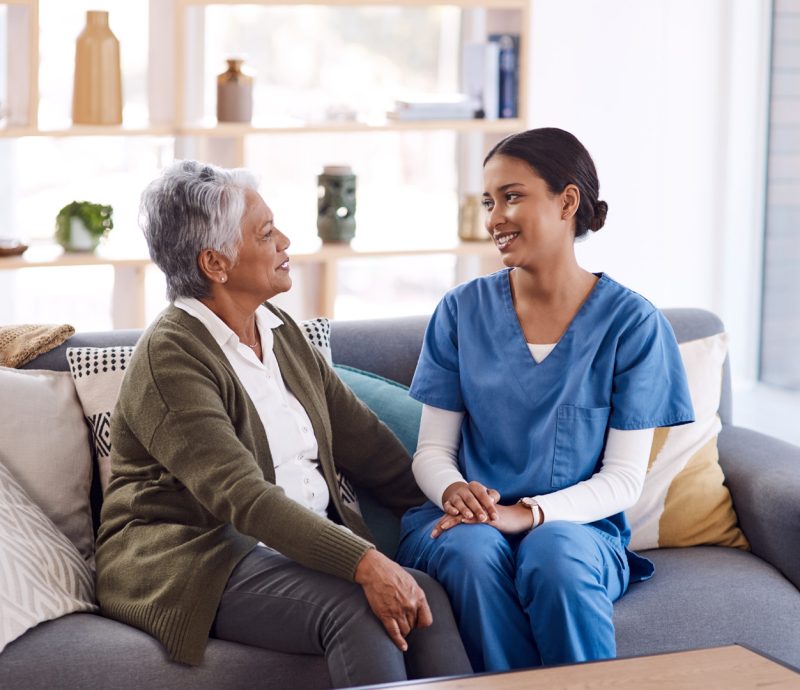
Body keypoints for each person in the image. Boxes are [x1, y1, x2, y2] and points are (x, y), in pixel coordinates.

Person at [94, 160, 471, 688]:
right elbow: (242, 497)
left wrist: (453, 500)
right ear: (215, 263)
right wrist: (364, 562)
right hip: (195, 556)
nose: (286, 241)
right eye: (266, 233)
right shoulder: (170, 358)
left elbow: (368, 446)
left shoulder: (280, 332)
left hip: (278, 550)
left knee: (425, 593)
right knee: (359, 607)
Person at [396, 127, 695, 673]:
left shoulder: (633, 325)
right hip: (470, 526)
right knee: (471, 550)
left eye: (512, 197)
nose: (494, 219)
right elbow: (431, 451)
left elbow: (624, 479)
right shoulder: (460, 311)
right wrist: (455, 491)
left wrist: (528, 514)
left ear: (567, 201)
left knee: (554, 553)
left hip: (577, 531)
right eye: (489, 202)